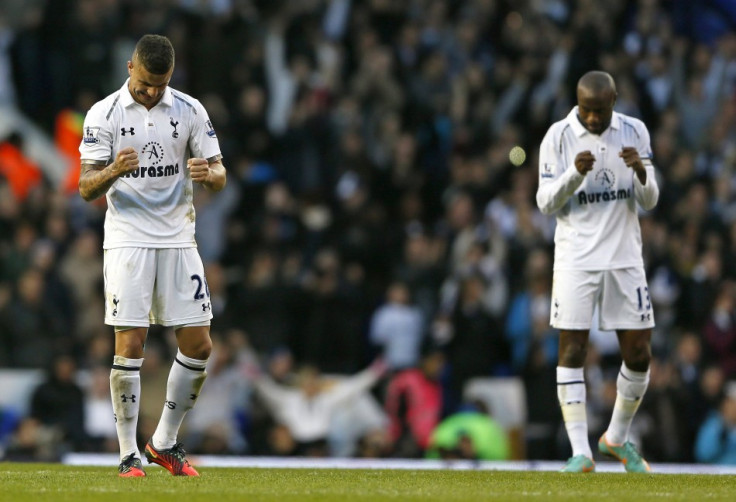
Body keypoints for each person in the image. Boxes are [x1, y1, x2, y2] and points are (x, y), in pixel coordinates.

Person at [78, 34, 226, 477]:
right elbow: (86, 188)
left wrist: (209, 174)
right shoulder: (103, 114)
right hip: (128, 238)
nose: (151, 92)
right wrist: (113, 170)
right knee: (131, 342)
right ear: (130, 68)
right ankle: (127, 455)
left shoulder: (189, 109)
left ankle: (163, 442)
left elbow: (219, 172)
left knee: (200, 343)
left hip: (179, 237)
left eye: (159, 85)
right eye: (144, 84)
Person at [536, 71, 659, 473]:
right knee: (572, 349)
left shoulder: (634, 130)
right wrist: (573, 174)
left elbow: (650, 199)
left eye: (600, 111)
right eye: (586, 110)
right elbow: (545, 203)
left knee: (640, 354)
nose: (592, 119)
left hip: (625, 256)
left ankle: (616, 438)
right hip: (576, 257)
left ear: (614, 101)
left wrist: (641, 170)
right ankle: (580, 451)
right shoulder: (557, 136)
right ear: (577, 103)